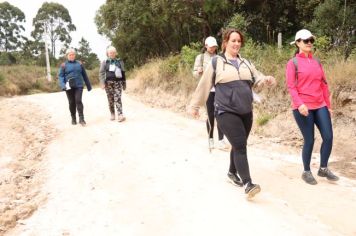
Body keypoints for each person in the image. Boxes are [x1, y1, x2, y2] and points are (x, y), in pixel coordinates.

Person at [188, 28, 276, 199]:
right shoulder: (216, 62)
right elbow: (204, 85)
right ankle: (248, 184)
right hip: (225, 110)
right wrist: (195, 105)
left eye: (239, 41)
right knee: (241, 146)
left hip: (246, 110)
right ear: (225, 43)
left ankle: (231, 172)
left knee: (238, 144)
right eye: (233, 40)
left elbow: (256, 81)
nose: (236, 43)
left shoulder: (246, 63)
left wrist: (266, 80)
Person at [286, 29, 339, 185]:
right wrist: (299, 104)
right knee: (309, 139)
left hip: (320, 104)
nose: (309, 43)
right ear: (297, 43)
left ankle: (323, 168)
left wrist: (328, 106)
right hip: (302, 107)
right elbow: (291, 87)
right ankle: (306, 171)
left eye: (311, 40)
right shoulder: (292, 63)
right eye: (305, 40)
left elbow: (323, 85)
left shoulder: (317, 62)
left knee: (328, 137)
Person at [192, 36, 229, 151]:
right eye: (211, 46)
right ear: (206, 46)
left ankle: (221, 140)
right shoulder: (201, 57)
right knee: (210, 115)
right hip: (208, 90)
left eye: (214, 46)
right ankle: (211, 139)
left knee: (221, 114)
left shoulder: (220, 57)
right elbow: (194, 73)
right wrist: (198, 72)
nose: (213, 48)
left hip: (219, 89)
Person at [58, 48, 92, 126]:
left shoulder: (79, 64)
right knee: (71, 102)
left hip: (79, 85)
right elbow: (60, 76)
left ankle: (81, 118)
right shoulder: (63, 65)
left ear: (75, 55)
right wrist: (63, 85)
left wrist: (88, 85)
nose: (72, 56)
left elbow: (84, 75)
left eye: (73, 54)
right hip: (68, 87)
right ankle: (73, 117)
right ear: (67, 56)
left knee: (78, 100)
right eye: (70, 55)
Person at [99, 46, 126, 122]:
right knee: (110, 100)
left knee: (118, 98)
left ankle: (120, 115)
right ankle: (112, 113)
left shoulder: (119, 61)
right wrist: (102, 83)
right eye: (110, 53)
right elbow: (101, 73)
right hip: (108, 84)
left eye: (113, 52)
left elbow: (123, 72)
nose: (112, 54)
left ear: (116, 53)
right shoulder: (105, 62)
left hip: (118, 83)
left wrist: (124, 83)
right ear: (107, 53)